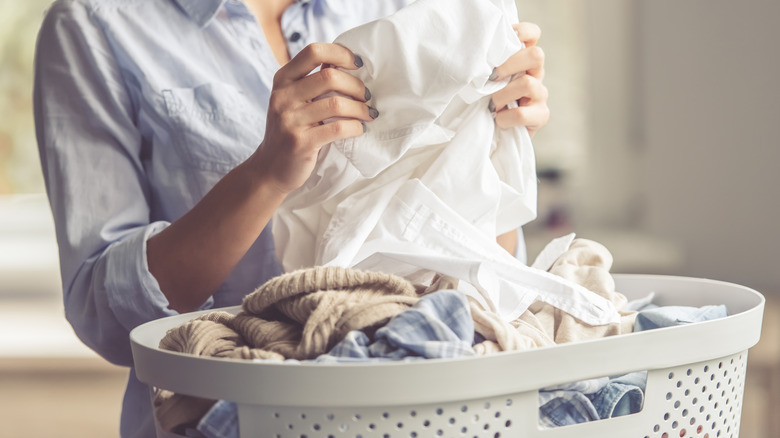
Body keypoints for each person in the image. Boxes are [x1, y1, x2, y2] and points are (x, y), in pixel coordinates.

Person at [33, 0, 549, 436]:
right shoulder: (95, 24)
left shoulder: (407, 8)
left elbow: (487, 287)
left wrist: (494, 144)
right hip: (215, 417)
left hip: (421, 414)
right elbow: (104, 313)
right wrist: (265, 174)